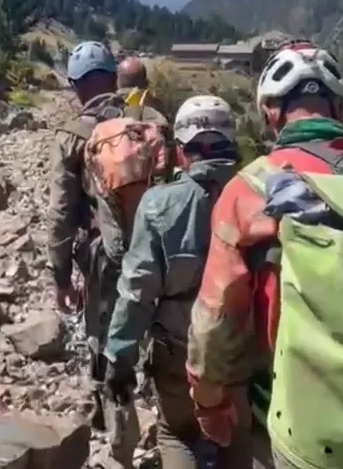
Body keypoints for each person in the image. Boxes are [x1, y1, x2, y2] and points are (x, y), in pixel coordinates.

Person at [185, 41, 343, 469]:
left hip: (300, 431)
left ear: (270, 112)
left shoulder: (250, 189)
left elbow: (216, 317)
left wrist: (209, 399)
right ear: (337, 108)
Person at [102, 95, 252, 469]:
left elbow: (137, 293)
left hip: (178, 354)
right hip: (242, 354)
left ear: (182, 153)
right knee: (237, 437)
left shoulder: (158, 204)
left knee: (177, 433)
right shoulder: (259, 197)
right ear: (231, 146)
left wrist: (120, 358)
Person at [47, 41, 168, 468]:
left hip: (107, 257)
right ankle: (173, 425)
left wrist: (61, 275)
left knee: (107, 341)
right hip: (164, 253)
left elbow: (62, 214)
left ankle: (120, 443)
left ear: (78, 86)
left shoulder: (75, 135)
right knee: (162, 334)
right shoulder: (151, 120)